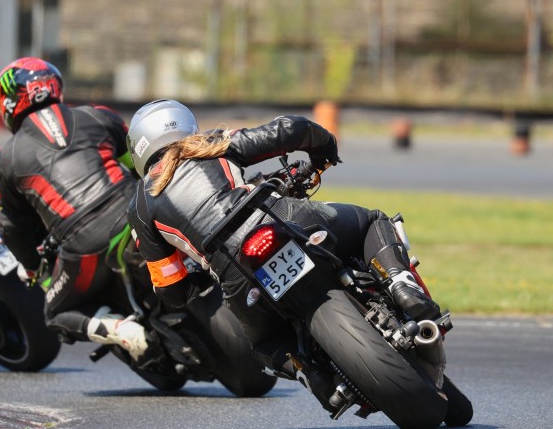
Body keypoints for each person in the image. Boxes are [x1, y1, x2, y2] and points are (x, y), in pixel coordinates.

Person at [126, 99, 442, 378]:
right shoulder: (210, 143)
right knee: (372, 221)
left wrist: (196, 278)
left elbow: (170, 287)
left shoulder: (139, 206)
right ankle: (400, 280)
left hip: (234, 273)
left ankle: (310, 373)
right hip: (281, 219)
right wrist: (324, 152)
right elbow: (290, 129)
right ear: (185, 125)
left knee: (264, 345)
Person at [0, 57, 150, 361]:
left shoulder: (4, 161)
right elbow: (141, 164)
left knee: (54, 311)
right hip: (136, 211)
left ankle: (119, 330)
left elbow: (12, 226)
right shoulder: (99, 115)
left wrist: (31, 266)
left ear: (9, 103)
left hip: (85, 244)